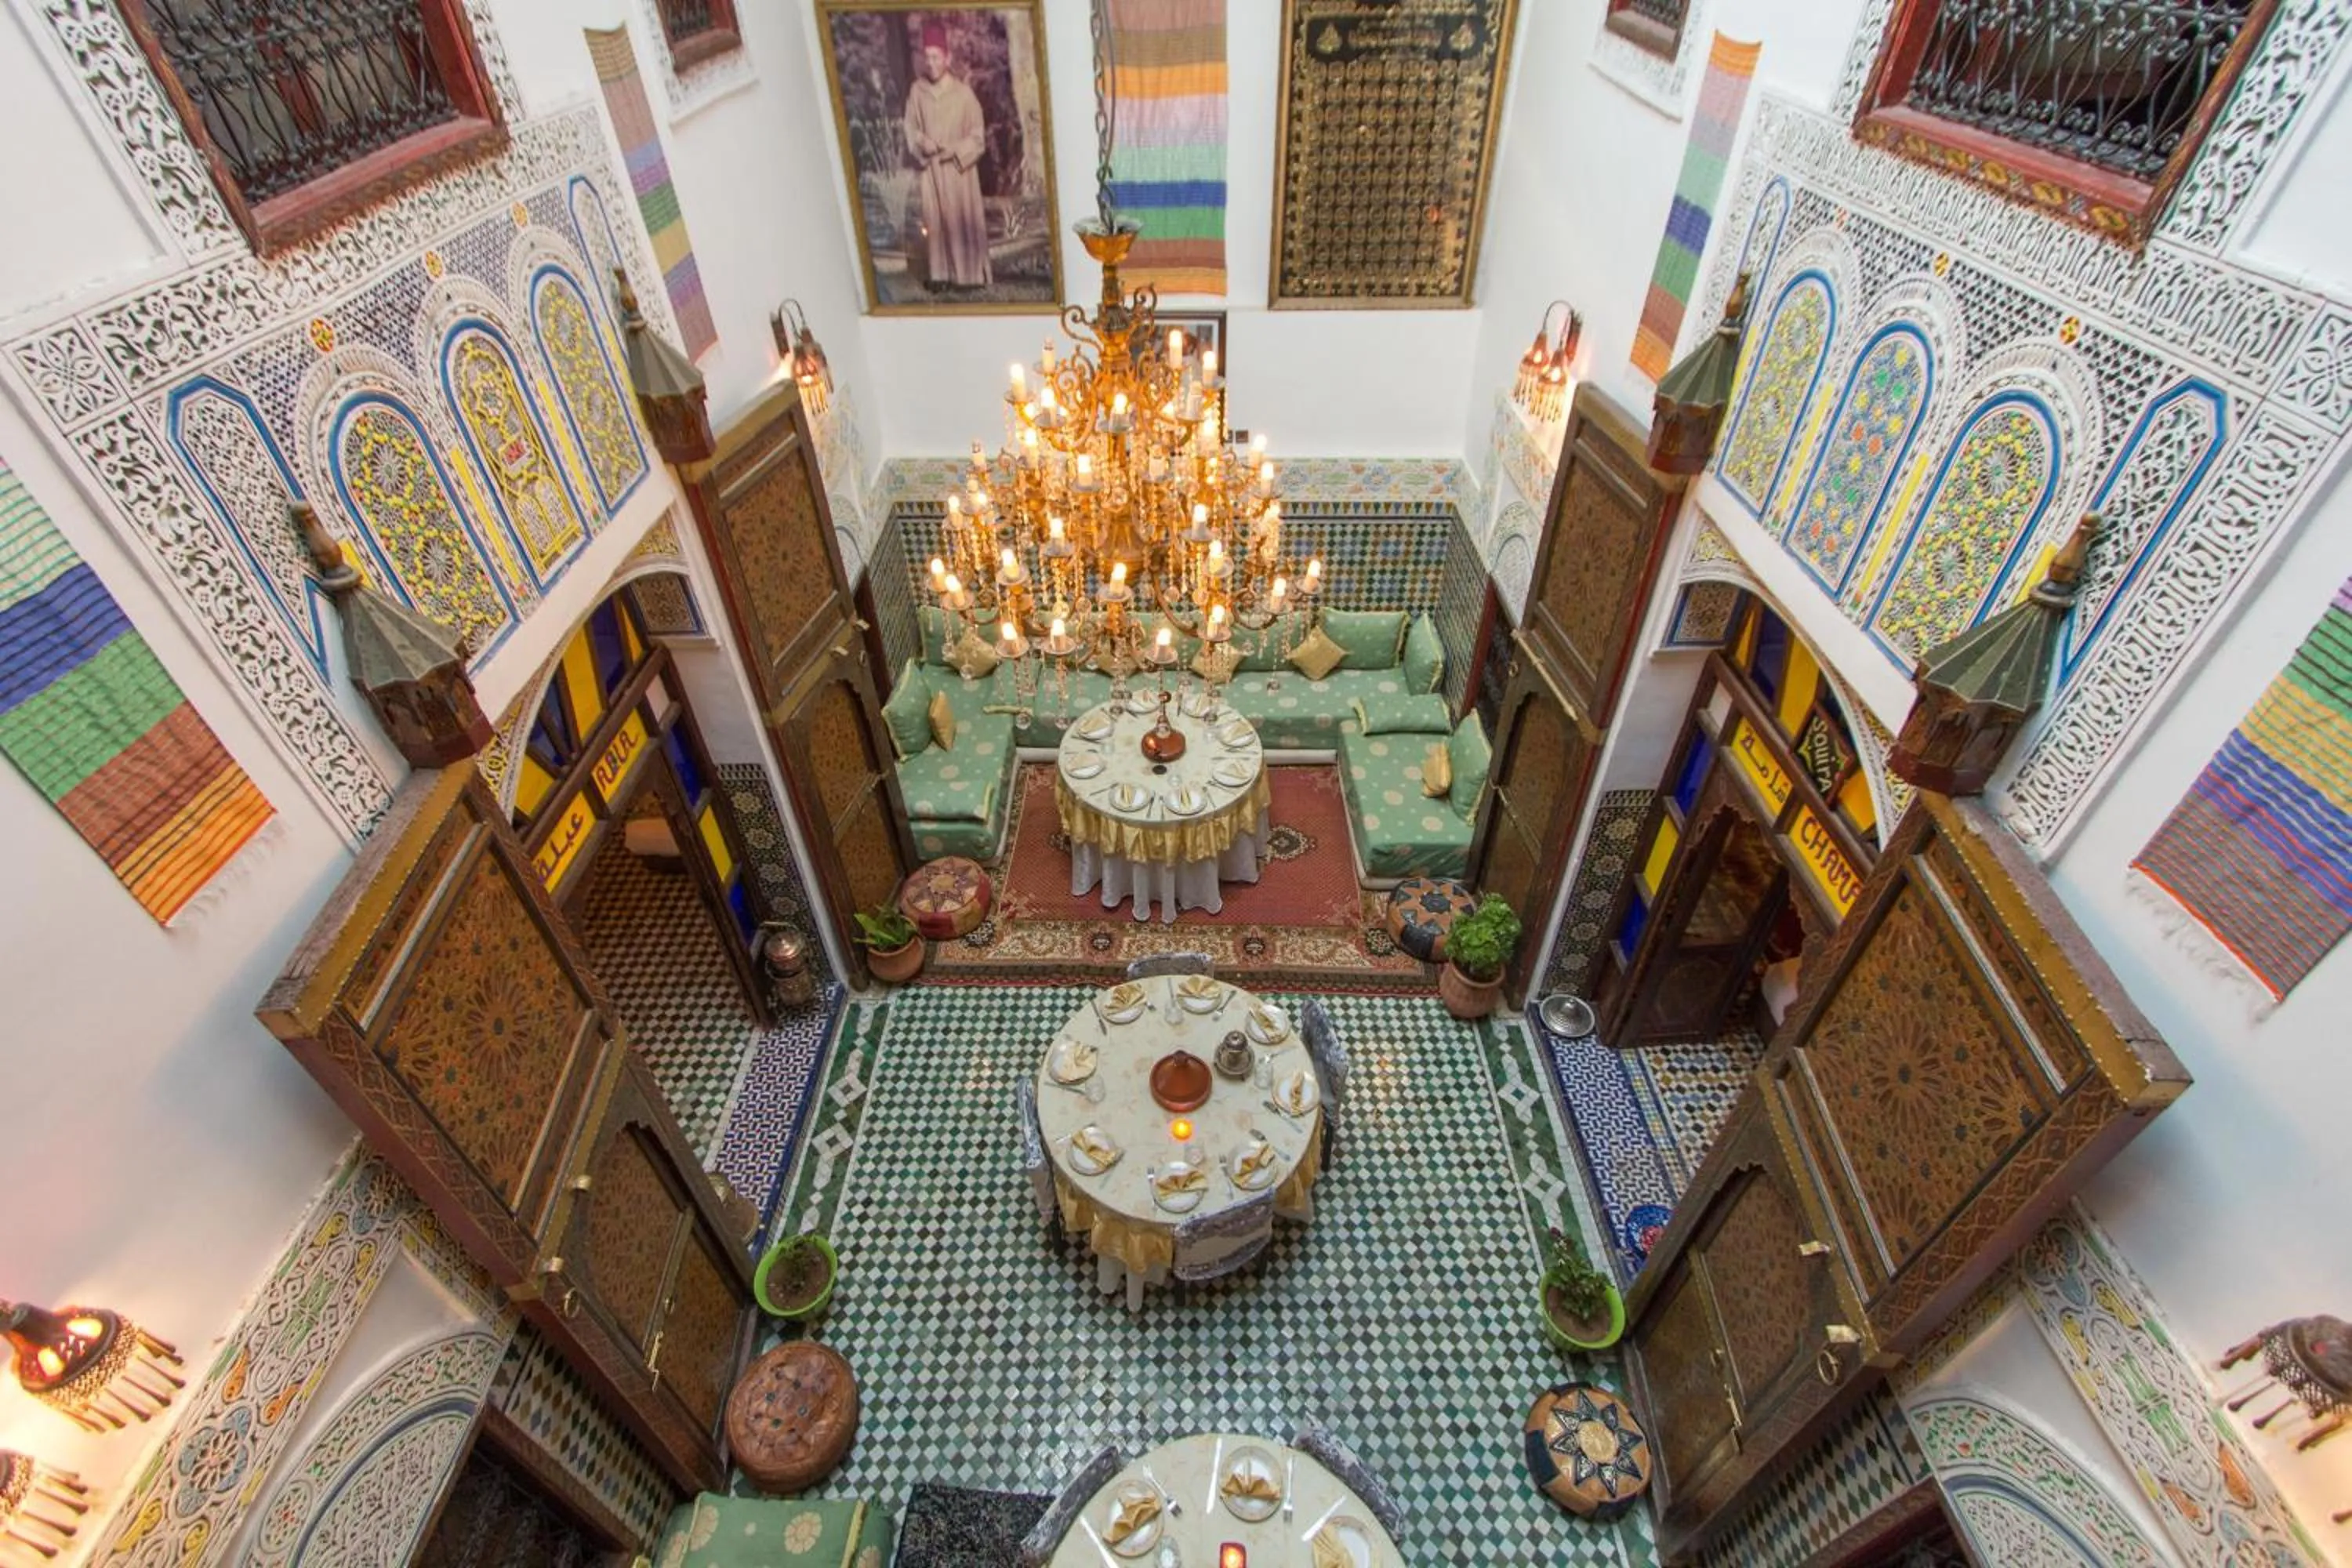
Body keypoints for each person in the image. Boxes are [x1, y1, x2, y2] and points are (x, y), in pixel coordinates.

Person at [902, 21, 992, 291]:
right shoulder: (918, 92)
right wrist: (922, 142)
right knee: (936, 221)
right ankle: (941, 276)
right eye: (926, 57)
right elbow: (910, 127)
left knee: (961, 219)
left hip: (958, 171)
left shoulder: (964, 95)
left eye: (936, 57)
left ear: (947, 58)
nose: (930, 63)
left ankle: (968, 276)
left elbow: (978, 136)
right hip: (932, 170)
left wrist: (955, 151)